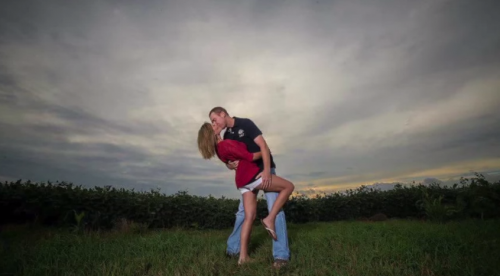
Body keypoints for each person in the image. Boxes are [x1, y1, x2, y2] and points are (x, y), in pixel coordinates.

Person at [197, 122, 295, 265]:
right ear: (211, 133)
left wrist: (231, 163)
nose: (215, 125)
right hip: (252, 176)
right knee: (288, 187)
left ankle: (243, 257)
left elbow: (233, 159)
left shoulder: (219, 149)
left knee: (249, 217)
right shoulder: (226, 144)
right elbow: (249, 157)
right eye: (212, 125)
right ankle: (270, 218)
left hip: (242, 183)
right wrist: (264, 151)